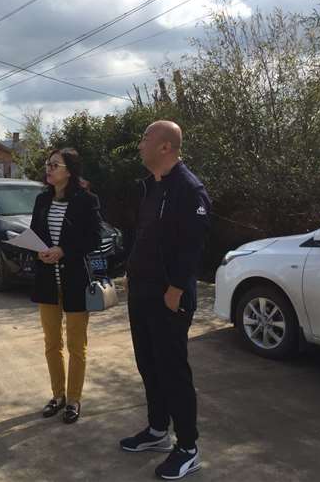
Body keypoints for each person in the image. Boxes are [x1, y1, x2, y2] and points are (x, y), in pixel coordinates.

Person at [119, 121, 211, 480]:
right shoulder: (150, 186)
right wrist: (131, 271)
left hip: (169, 296)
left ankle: (188, 447)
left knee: (173, 371)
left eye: (146, 138)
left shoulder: (189, 189)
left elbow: (193, 245)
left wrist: (175, 289)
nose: (140, 144)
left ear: (165, 147)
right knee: (149, 364)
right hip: (141, 291)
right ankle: (158, 430)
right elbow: (143, 236)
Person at [29, 148, 101, 424]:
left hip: (75, 282)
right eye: (48, 164)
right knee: (52, 343)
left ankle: (73, 399)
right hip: (47, 282)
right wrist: (38, 250)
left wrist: (64, 250)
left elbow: (94, 238)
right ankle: (57, 396)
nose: (48, 169)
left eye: (54, 165)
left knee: (76, 345)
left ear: (69, 171)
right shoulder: (42, 199)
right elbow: (36, 233)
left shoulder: (86, 200)